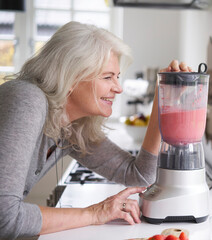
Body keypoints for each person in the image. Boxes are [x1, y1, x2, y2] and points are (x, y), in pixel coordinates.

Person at [0, 21, 192, 239]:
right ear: (71, 75)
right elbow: (4, 217)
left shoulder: (71, 127)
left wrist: (163, 98)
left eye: (117, 77)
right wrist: (95, 213)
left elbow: (138, 176)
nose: (118, 88)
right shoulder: (26, 99)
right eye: (107, 77)